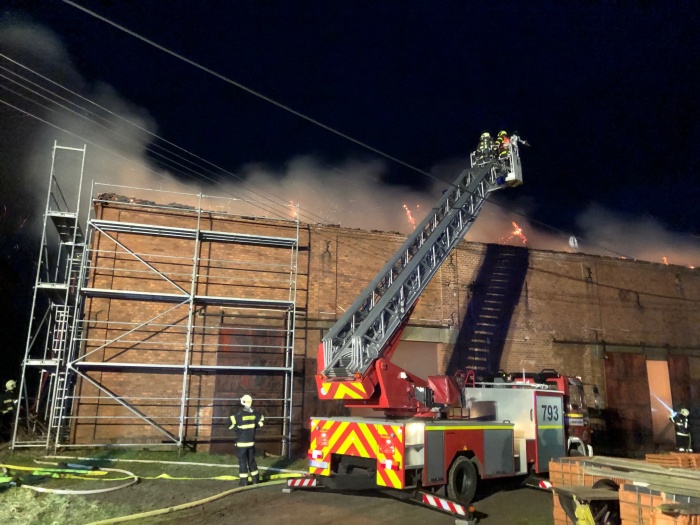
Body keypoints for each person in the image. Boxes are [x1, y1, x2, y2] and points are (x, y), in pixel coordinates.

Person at [229, 394, 265, 485]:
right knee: (251, 461)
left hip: (241, 443)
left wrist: (238, 430)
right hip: (251, 443)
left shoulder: (238, 415)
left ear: (242, 402)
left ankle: (244, 481)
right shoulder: (255, 414)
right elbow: (262, 420)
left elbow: (229, 424)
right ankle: (255, 480)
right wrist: (255, 426)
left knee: (242, 462)